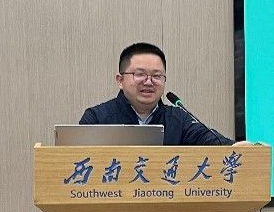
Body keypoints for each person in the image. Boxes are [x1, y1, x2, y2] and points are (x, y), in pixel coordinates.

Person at [79, 42, 236, 146]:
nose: (148, 82)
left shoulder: (179, 120)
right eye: (140, 74)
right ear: (120, 80)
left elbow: (214, 143)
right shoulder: (96, 118)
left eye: (157, 76)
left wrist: (241, 148)